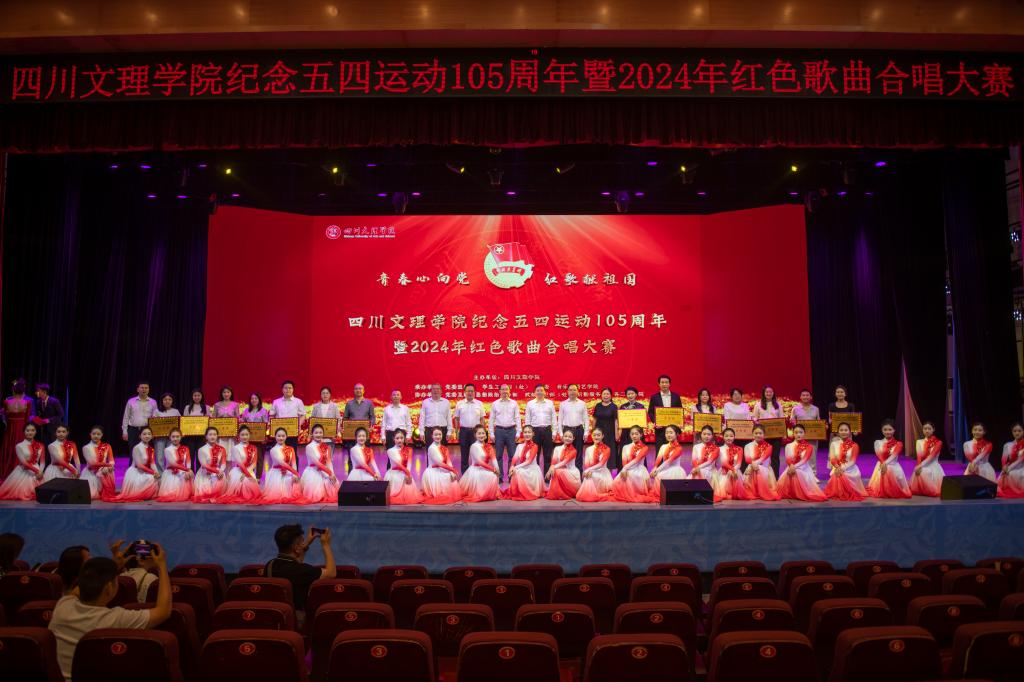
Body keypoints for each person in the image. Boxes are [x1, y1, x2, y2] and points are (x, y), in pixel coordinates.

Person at [49, 542, 172, 682]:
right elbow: (163, 611)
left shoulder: (63, 604)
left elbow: (81, 586)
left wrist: (113, 565)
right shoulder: (116, 618)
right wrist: (162, 566)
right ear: (108, 588)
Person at [265, 524, 336, 625]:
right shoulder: (303, 571)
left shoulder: (269, 565)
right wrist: (326, 545)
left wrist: (306, 543)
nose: (303, 544)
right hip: (295, 622)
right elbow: (331, 573)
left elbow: (296, 561)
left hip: (272, 618)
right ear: (296, 548)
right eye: (302, 542)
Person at [778, 424, 827, 501]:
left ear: (804, 433)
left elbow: (804, 460)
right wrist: (791, 466)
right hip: (791, 467)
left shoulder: (809, 447)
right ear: (793, 433)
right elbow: (788, 459)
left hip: (803, 469)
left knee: (797, 472)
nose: (798, 434)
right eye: (796, 432)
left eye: (801, 432)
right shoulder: (788, 446)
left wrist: (794, 467)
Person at [111, 426, 160, 502]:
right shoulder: (137, 448)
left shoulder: (151, 449)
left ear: (152, 436)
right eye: (144, 434)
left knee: (155, 478)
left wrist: (156, 472)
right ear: (140, 436)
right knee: (150, 478)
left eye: (149, 434)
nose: (147, 436)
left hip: (145, 471)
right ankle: (140, 494)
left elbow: (152, 463)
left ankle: (146, 495)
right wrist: (152, 472)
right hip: (136, 472)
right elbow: (139, 465)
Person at [216, 425, 262, 504]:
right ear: (239, 436)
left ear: (249, 435)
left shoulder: (254, 448)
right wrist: (247, 475)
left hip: (249, 471)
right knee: (243, 486)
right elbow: (240, 463)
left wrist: (247, 473)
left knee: (254, 494)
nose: (245, 437)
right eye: (242, 435)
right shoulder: (236, 448)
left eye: (246, 434)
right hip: (238, 472)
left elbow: (254, 464)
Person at [866, 419, 912, 499]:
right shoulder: (877, 442)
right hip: (881, 466)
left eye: (890, 429)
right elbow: (879, 455)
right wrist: (883, 464)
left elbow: (893, 456)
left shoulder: (899, 444)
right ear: (882, 430)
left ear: (894, 430)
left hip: (893, 466)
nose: (887, 432)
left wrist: (885, 464)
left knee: (890, 472)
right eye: (885, 429)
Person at [0, 422, 45, 500]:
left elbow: (42, 462)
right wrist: (37, 471)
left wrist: (41, 472)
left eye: (32, 430)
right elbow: (24, 463)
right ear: (24, 432)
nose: (30, 432)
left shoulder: (41, 445)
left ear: (36, 431)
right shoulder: (19, 446)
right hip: (24, 470)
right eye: (27, 430)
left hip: (38, 471)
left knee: (42, 494)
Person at [297, 423, 340, 504]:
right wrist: (329, 473)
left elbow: (328, 461)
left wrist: (332, 473)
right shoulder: (309, 447)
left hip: (325, 471)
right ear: (312, 434)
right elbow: (317, 463)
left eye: (320, 433)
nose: (318, 435)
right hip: (313, 472)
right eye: (316, 433)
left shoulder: (326, 446)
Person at [824, 422, 868, 501]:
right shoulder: (834, 444)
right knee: (837, 474)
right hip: (837, 467)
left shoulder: (855, 445)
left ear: (850, 432)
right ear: (838, 432)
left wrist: (842, 468)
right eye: (841, 430)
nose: (843, 432)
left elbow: (853, 461)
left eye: (846, 430)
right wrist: (837, 467)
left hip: (850, 469)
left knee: (841, 475)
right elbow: (832, 458)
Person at [1, 378, 35, 478]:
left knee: (9, 447)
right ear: (23, 392)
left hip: (10, 429)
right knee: (21, 447)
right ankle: (21, 471)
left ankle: (7, 471)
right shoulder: (27, 402)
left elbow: (6, 416)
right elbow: (27, 418)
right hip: (21, 428)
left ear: (13, 391)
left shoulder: (6, 402)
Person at [612, 425, 654, 503]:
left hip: (639, 470)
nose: (634, 436)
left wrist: (625, 469)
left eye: (636, 434)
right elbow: (624, 461)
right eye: (632, 434)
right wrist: (624, 469)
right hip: (627, 469)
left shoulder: (645, 448)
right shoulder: (625, 447)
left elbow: (636, 460)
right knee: (615, 483)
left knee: (632, 476)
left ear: (641, 435)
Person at [261, 427, 302, 503]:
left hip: (288, 472)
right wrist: (295, 472)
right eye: (279, 436)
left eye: (283, 436)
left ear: (286, 437)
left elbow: (294, 463)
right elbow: (282, 463)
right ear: (275, 437)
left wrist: (294, 474)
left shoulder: (291, 449)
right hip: (276, 473)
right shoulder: (273, 450)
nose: (281, 438)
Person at [461, 425, 501, 502]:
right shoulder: (474, 446)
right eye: (479, 433)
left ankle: (488, 494)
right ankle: (481, 494)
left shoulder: (489, 446)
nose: (481, 435)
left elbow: (494, 459)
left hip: (485, 469)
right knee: (490, 474)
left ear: (486, 435)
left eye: (483, 433)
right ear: (475, 435)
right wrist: (493, 469)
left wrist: (497, 469)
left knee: (494, 475)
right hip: (476, 470)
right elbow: (480, 462)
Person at [489, 384, 521, 481]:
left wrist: (518, 432)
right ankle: (499, 476)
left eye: (506, 389)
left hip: (511, 431)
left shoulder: (514, 403)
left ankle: (511, 476)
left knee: (512, 455)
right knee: (498, 456)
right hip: (499, 431)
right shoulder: (495, 404)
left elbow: (517, 418)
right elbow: (491, 419)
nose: (504, 391)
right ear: (499, 391)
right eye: (502, 389)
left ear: (509, 391)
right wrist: (491, 433)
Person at [422, 427, 461, 504]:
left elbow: (448, 461)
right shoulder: (431, 448)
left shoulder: (444, 448)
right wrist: (453, 470)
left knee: (452, 477)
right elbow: (440, 463)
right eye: (436, 435)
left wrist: (452, 471)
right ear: (432, 436)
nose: (438, 436)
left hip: (443, 469)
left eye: (439, 434)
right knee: (447, 477)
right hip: (434, 472)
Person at [342, 383, 376, 473]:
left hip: (365, 436)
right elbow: (345, 418)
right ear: (354, 391)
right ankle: (351, 478)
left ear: (363, 391)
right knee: (351, 458)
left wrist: (371, 425)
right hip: (352, 436)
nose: (358, 390)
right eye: (356, 389)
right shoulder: (349, 403)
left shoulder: (369, 403)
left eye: (360, 389)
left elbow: (372, 417)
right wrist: (345, 428)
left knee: (366, 458)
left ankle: (366, 476)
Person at [506, 424, 544, 501]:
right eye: (525, 432)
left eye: (529, 432)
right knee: (517, 471)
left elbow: (529, 461)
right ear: (522, 434)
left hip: (532, 470)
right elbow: (515, 458)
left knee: (518, 471)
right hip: (522, 468)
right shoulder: (519, 446)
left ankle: (526, 492)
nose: (527, 434)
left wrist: (515, 467)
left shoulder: (535, 446)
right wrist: (512, 466)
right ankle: (518, 492)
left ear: (533, 434)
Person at [454, 384, 486, 472]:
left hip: (476, 432)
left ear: (475, 392)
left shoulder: (479, 403)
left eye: (472, 391)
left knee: (477, 454)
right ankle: (465, 475)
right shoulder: (459, 404)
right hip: (464, 431)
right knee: (464, 455)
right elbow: (456, 418)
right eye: (468, 391)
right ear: (464, 392)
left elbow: (482, 419)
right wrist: (456, 431)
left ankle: (477, 474)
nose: (470, 393)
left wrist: (483, 432)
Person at [385, 428, 422, 504]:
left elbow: (409, 463)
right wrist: (407, 473)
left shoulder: (409, 450)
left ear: (404, 438)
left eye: (401, 438)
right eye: (397, 438)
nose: (400, 440)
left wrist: (408, 475)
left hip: (405, 473)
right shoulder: (390, 451)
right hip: (394, 475)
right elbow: (399, 465)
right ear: (393, 439)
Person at [744, 424, 780, 501]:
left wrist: (754, 464)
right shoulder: (748, 446)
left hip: (764, 469)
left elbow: (763, 459)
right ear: (752, 434)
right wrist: (753, 465)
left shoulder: (769, 446)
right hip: (751, 469)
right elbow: (747, 459)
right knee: (756, 469)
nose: (758, 435)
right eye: (756, 433)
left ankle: (763, 491)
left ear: (764, 434)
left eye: (760, 433)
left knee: (759, 468)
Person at [156, 428, 194, 502]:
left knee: (187, 477)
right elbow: (173, 463)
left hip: (183, 472)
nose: (175, 439)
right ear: (170, 437)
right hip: (171, 473)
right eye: (173, 437)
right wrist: (187, 470)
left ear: (181, 437)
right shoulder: (167, 449)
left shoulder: (186, 448)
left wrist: (188, 470)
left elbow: (188, 462)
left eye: (177, 436)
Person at [576, 426, 613, 502]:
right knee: (588, 476)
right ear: (591, 436)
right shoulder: (588, 449)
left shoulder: (607, 449)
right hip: (591, 472)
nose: (596, 437)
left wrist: (588, 470)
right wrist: (588, 470)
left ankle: (595, 494)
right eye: (594, 435)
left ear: (602, 436)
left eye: (598, 435)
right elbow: (586, 464)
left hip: (603, 473)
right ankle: (591, 494)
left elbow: (601, 464)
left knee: (589, 475)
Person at [526, 384, 557, 470]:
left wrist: (554, 432)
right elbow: (527, 419)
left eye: (541, 390)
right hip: (534, 432)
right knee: (535, 454)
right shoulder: (530, 404)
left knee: (548, 455)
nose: (539, 392)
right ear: (534, 393)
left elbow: (554, 418)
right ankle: (536, 474)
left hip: (547, 431)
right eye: (537, 390)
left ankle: (547, 475)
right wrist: (528, 433)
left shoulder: (550, 403)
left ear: (545, 392)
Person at [753, 385, 784, 470]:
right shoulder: (758, 405)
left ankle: (775, 476)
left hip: (776, 435)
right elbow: (755, 418)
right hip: (763, 436)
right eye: (767, 392)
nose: (769, 393)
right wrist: (757, 422)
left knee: (775, 457)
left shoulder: (778, 405)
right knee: (763, 457)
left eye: (770, 392)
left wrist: (783, 433)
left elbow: (781, 419)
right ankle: (764, 475)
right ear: (763, 393)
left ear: (773, 393)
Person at [545, 427, 581, 500]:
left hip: (571, 472)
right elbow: (553, 462)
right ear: (562, 437)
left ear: (573, 438)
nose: (567, 438)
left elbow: (564, 462)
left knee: (557, 471)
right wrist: (551, 468)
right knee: (556, 471)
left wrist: (552, 468)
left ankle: (561, 493)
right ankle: (557, 493)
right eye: (566, 436)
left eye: (570, 437)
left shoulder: (574, 451)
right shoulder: (557, 448)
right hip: (559, 471)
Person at [270, 380, 306, 453]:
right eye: (285, 388)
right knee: (279, 453)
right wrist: (273, 426)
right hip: (279, 433)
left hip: (293, 431)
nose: (288, 390)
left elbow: (303, 415)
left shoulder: (298, 401)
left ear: (293, 389)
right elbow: (271, 415)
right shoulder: (276, 402)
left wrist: (298, 424)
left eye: (290, 388)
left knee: (292, 452)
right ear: (282, 389)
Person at [80, 426, 116, 501]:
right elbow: (92, 464)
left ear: (102, 435)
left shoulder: (107, 446)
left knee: (109, 471)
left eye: (98, 434)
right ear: (90, 434)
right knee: (90, 495)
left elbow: (111, 460)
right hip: (91, 473)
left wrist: (108, 467)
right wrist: (107, 465)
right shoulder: (86, 447)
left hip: (103, 471)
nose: (96, 436)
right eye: (94, 434)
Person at [558, 384, 589, 470]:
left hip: (579, 430)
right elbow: (560, 420)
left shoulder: (582, 404)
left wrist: (586, 432)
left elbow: (586, 419)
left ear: (578, 392)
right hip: (567, 430)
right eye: (570, 390)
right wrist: (561, 433)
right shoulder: (563, 404)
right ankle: (567, 473)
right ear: (567, 392)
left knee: (579, 454)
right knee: (566, 453)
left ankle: (579, 473)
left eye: (574, 390)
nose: (572, 392)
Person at [910, 421, 944, 498]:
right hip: (921, 465)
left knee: (925, 472)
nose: (927, 431)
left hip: (933, 466)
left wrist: (920, 466)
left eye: (929, 429)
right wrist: (918, 466)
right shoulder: (919, 442)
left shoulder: (938, 442)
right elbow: (919, 456)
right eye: (925, 429)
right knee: (920, 472)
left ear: (933, 430)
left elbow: (931, 457)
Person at [647, 375, 682, 449]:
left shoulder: (676, 396)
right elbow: (650, 412)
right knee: (660, 450)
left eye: (666, 382)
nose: (664, 384)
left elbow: (680, 411)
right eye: (662, 382)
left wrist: (679, 422)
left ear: (669, 384)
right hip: (660, 429)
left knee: (673, 450)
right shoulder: (654, 397)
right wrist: (655, 421)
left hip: (673, 429)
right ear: (659, 384)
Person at [193, 427, 228, 502]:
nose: (212, 436)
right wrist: (217, 471)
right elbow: (204, 465)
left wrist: (221, 471)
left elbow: (223, 463)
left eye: (214, 434)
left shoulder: (222, 449)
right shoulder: (201, 449)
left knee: (219, 493)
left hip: (218, 472)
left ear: (217, 436)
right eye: (210, 434)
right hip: (205, 473)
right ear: (206, 436)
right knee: (205, 494)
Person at [121, 381, 158, 451]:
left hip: (147, 430)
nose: (144, 389)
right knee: (133, 450)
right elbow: (126, 417)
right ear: (138, 389)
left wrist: (154, 431)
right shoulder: (131, 401)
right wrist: (124, 431)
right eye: (142, 388)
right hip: (133, 430)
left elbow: (155, 418)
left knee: (146, 451)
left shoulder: (153, 402)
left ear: (149, 389)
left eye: (146, 388)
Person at [240, 392, 270, 477]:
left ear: (259, 400)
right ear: (250, 400)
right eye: (252, 398)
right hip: (248, 439)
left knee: (259, 458)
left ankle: (258, 478)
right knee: (249, 458)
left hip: (260, 439)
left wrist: (264, 437)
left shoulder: (263, 411)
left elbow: (266, 425)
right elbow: (243, 424)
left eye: (256, 398)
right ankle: (250, 476)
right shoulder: (246, 411)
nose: (254, 400)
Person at [310, 386, 341, 466]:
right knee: (318, 459)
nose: (325, 395)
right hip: (318, 438)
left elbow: (338, 420)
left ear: (330, 395)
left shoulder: (334, 406)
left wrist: (336, 432)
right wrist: (311, 434)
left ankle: (328, 473)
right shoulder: (316, 406)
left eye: (327, 393)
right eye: (323, 393)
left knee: (328, 460)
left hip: (330, 438)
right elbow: (312, 421)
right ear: (320, 395)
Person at [715, 428, 748, 501]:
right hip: (724, 472)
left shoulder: (739, 449)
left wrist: (733, 470)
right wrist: (732, 470)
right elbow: (721, 462)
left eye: (731, 436)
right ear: (723, 437)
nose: (729, 438)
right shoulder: (719, 449)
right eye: (726, 436)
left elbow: (739, 464)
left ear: (734, 437)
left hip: (736, 472)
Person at [592, 388, 620, 470]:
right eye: (604, 394)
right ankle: (598, 470)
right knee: (599, 452)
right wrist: (593, 431)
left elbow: (616, 421)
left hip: (610, 434)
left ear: (611, 396)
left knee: (610, 453)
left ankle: (609, 473)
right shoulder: (598, 405)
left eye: (607, 394)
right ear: (601, 395)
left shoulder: (614, 406)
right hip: (599, 434)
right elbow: (594, 419)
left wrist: (617, 434)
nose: (606, 396)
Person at [182, 388, 209, 468]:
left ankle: (199, 474)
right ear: (192, 397)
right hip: (190, 436)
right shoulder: (187, 407)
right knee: (190, 455)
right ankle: (190, 473)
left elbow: (208, 422)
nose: (197, 397)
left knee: (200, 456)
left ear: (201, 396)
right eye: (195, 395)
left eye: (198, 395)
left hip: (202, 436)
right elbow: (184, 422)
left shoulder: (206, 407)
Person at [153, 393, 181, 470]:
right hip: (159, 438)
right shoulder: (157, 411)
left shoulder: (176, 411)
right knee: (159, 457)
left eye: (169, 399)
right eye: (165, 399)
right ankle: (161, 475)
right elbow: (153, 425)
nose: (167, 401)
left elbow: (180, 423)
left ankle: (170, 473)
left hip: (172, 438)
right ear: (162, 401)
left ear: (172, 401)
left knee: (171, 456)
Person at [997, 422, 1024, 498]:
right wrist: (1004, 467)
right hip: (1010, 467)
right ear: (1012, 432)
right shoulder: (1008, 445)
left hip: (1021, 467)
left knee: (1015, 474)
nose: (1017, 433)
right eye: (1015, 431)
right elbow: (1004, 458)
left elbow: (1021, 459)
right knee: (1005, 474)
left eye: (1019, 431)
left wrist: (1009, 468)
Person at [791, 388, 821, 455]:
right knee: (800, 456)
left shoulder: (816, 409)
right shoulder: (795, 409)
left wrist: (823, 426)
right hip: (800, 437)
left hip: (813, 438)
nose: (805, 397)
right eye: (803, 395)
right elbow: (792, 422)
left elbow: (819, 422)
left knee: (812, 457)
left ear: (811, 397)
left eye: (807, 395)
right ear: (800, 397)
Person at [382, 389, 413, 453]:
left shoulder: (405, 408)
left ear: (401, 397)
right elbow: (383, 424)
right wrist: (383, 436)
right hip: (390, 434)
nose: (396, 396)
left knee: (402, 455)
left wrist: (408, 436)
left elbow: (408, 423)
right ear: (391, 397)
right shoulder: (386, 409)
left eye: (398, 395)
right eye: (394, 395)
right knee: (390, 454)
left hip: (402, 434)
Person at [618, 387, 647, 454]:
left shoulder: (641, 406)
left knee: (639, 452)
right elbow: (621, 420)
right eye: (628, 394)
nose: (630, 395)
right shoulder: (623, 406)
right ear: (626, 395)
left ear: (636, 394)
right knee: (625, 451)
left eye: (632, 393)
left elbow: (642, 420)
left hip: (637, 432)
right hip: (626, 432)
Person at [212, 386, 240, 452]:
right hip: (220, 433)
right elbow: (213, 419)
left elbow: (237, 419)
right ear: (221, 394)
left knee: (230, 452)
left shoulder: (235, 404)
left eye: (228, 392)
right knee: (220, 452)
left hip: (231, 434)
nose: (226, 394)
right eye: (224, 392)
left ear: (231, 393)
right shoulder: (217, 405)